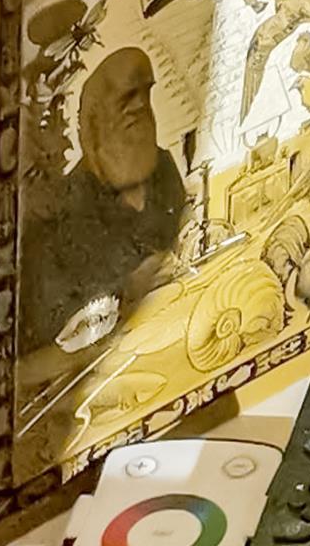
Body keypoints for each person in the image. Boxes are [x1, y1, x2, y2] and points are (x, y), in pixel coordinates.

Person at [20, 44, 188, 346]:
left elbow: (184, 225)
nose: (140, 111)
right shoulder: (67, 211)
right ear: (93, 127)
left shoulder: (162, 168)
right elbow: (67, 331)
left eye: (144, 105)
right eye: (126, 108)